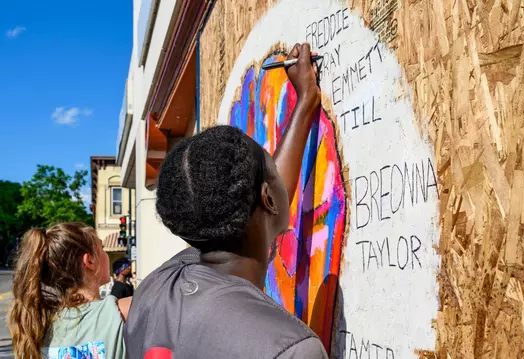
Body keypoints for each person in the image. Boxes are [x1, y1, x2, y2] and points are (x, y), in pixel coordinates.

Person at [125, 43, 328, 358]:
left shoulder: (154, 290)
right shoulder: (288, 348)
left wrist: (305, 103)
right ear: (267, 200)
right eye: (270, 169)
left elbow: (253, 203)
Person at [8, 223, 131, 359]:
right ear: (89, 260)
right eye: (101, 248)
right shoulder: (119, 312)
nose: (106, 254)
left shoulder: (35, 328)